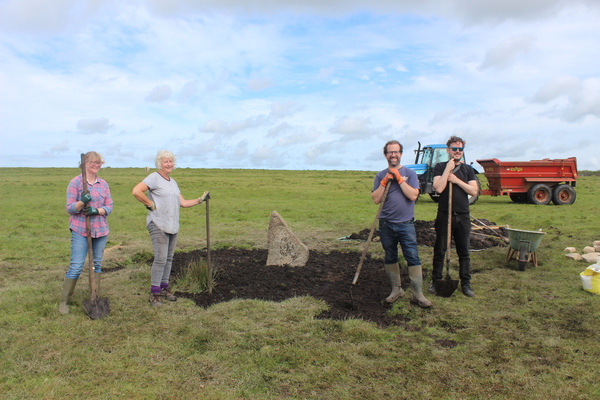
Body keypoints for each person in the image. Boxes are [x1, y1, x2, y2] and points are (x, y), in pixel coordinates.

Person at [132, 150, 210, 307]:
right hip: (158, 223)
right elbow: (136, 191)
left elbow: (183, 203)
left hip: (173, 225)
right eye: (165, 161)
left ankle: (164, 289)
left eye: (171, 161)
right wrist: (149, 204)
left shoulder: (173, 182)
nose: (169, 164)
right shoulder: (154, 177)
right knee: (160, 258)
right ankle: (154, 294)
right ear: (159, 163)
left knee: (168, 258)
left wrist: (201, 199)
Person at [372, 140, 432, 308]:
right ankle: (396, 290)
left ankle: (417, 294)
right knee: (390, 256)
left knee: (412, 256)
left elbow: (413, 196)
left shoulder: (410, 174)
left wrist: (398, 178)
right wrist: (384, 182)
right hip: (386, 225)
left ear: (401, 154)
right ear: (385, 155)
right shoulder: (380, 175)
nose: (393, 155)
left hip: (406, 224)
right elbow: (376, 199)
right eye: (390, 152)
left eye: (396, 152)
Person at [59, 152, 113, 314]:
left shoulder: (103, 184)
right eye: (93, 162)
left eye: (99, 163)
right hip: (81, 229)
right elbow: (69, 208)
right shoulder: (76, 183)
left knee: (96, 264)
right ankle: (64, 302)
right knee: (76, 266)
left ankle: (94, 297)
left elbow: (109, 206)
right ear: (84, 164)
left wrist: (97, 210)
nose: (96, 165)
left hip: (100, 229)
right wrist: (82, 201)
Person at [430, 136, 479, 297]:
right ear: (448, 150)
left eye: (460, 149)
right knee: (440, 249)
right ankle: (436, 280)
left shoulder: (468, 170)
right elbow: (438, 188)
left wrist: (456, 180)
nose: (457, 151)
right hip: (445, 214)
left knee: (464, 251)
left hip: (463, 215)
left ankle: (466, 283)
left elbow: (473, 191)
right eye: (454, 148)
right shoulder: (439, 167)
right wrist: (447, 170)